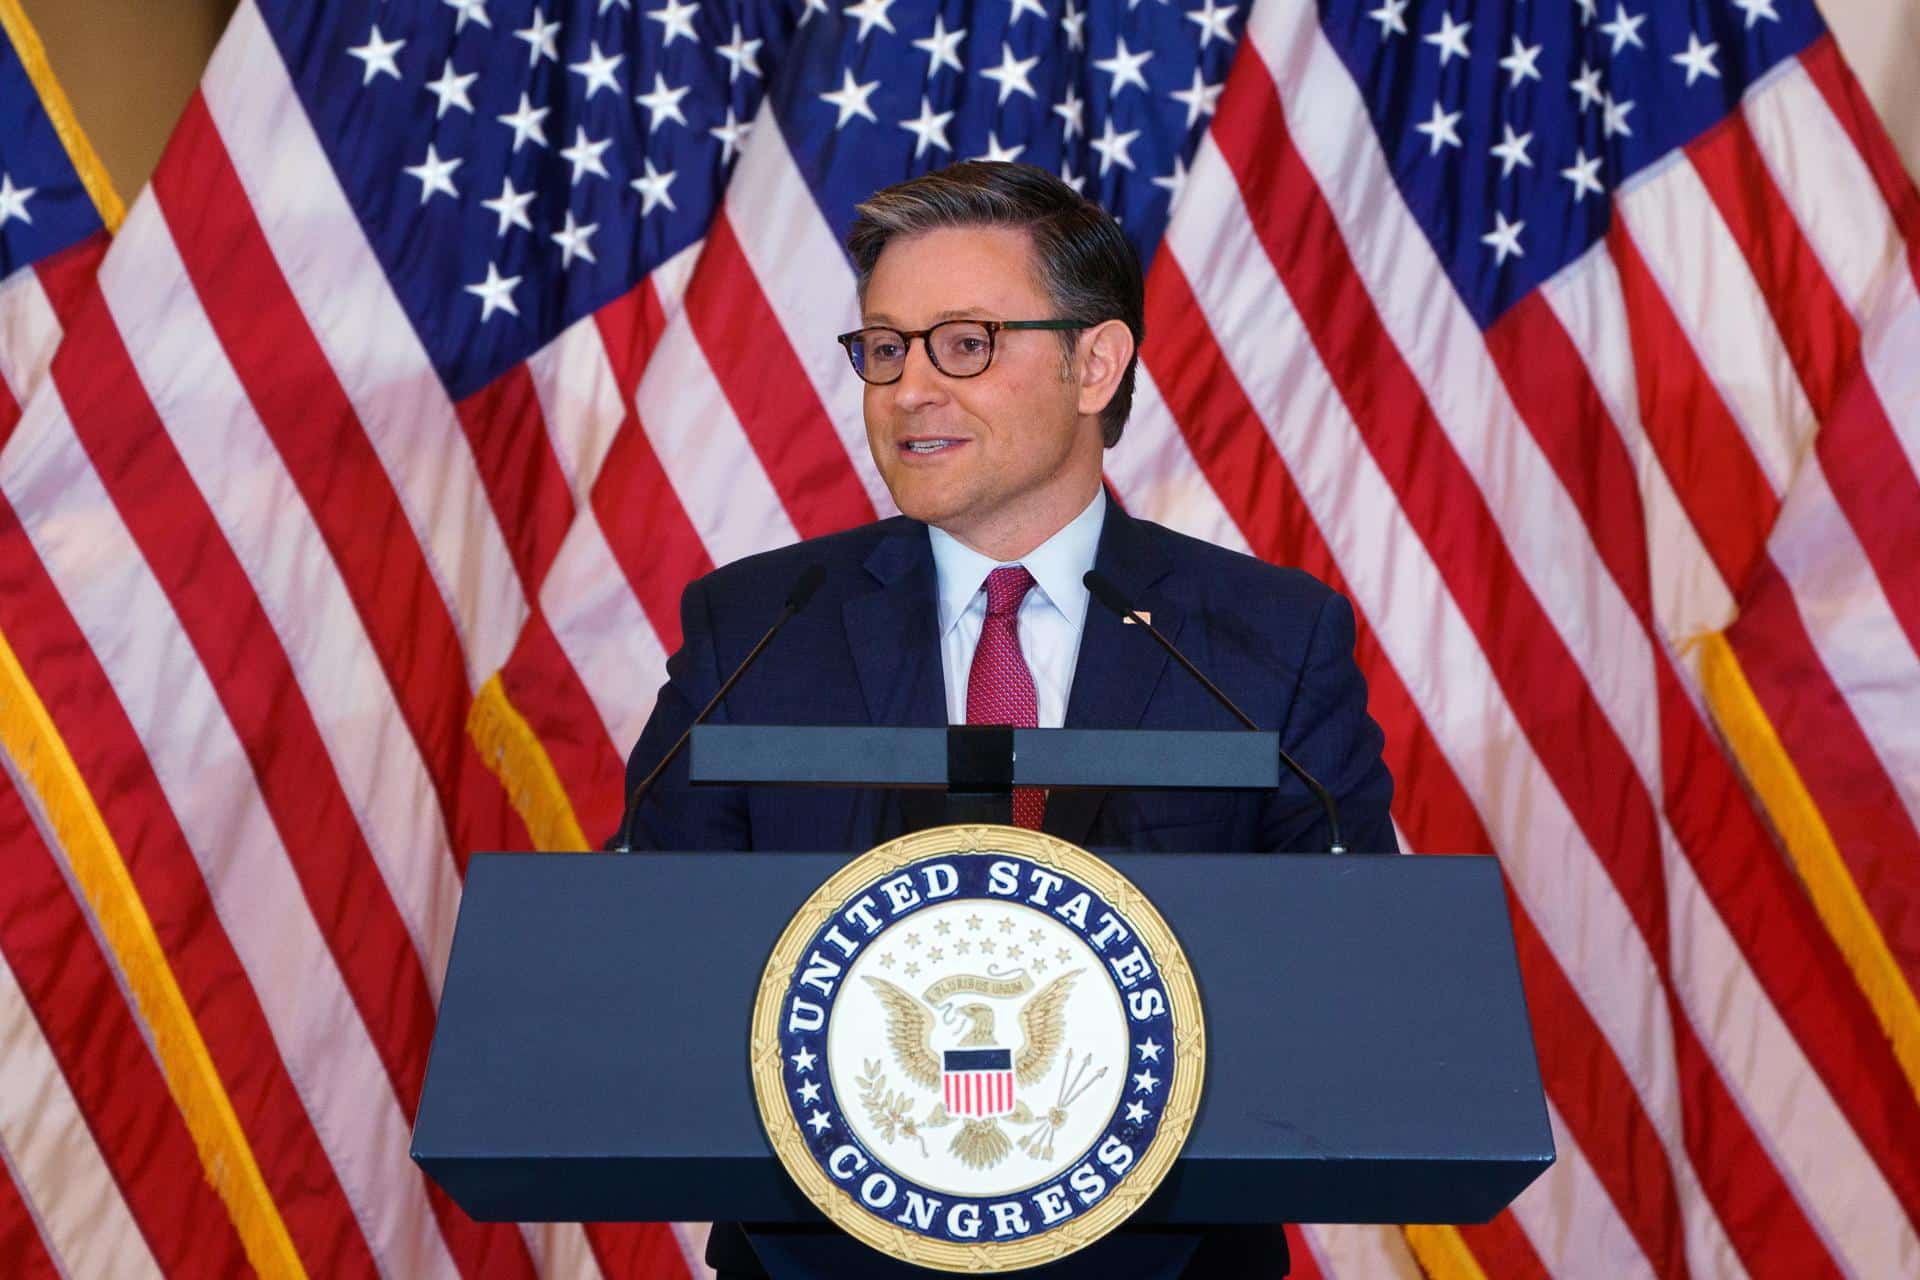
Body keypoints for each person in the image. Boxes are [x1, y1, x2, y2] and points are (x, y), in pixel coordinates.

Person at [619, 161, 1397, 1278]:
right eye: (886, 348)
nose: (909, 389)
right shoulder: (754, 624)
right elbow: (643, 952)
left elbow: (1346, 978)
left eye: (966, 342)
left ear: (1097, 362)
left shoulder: (1267, 639)